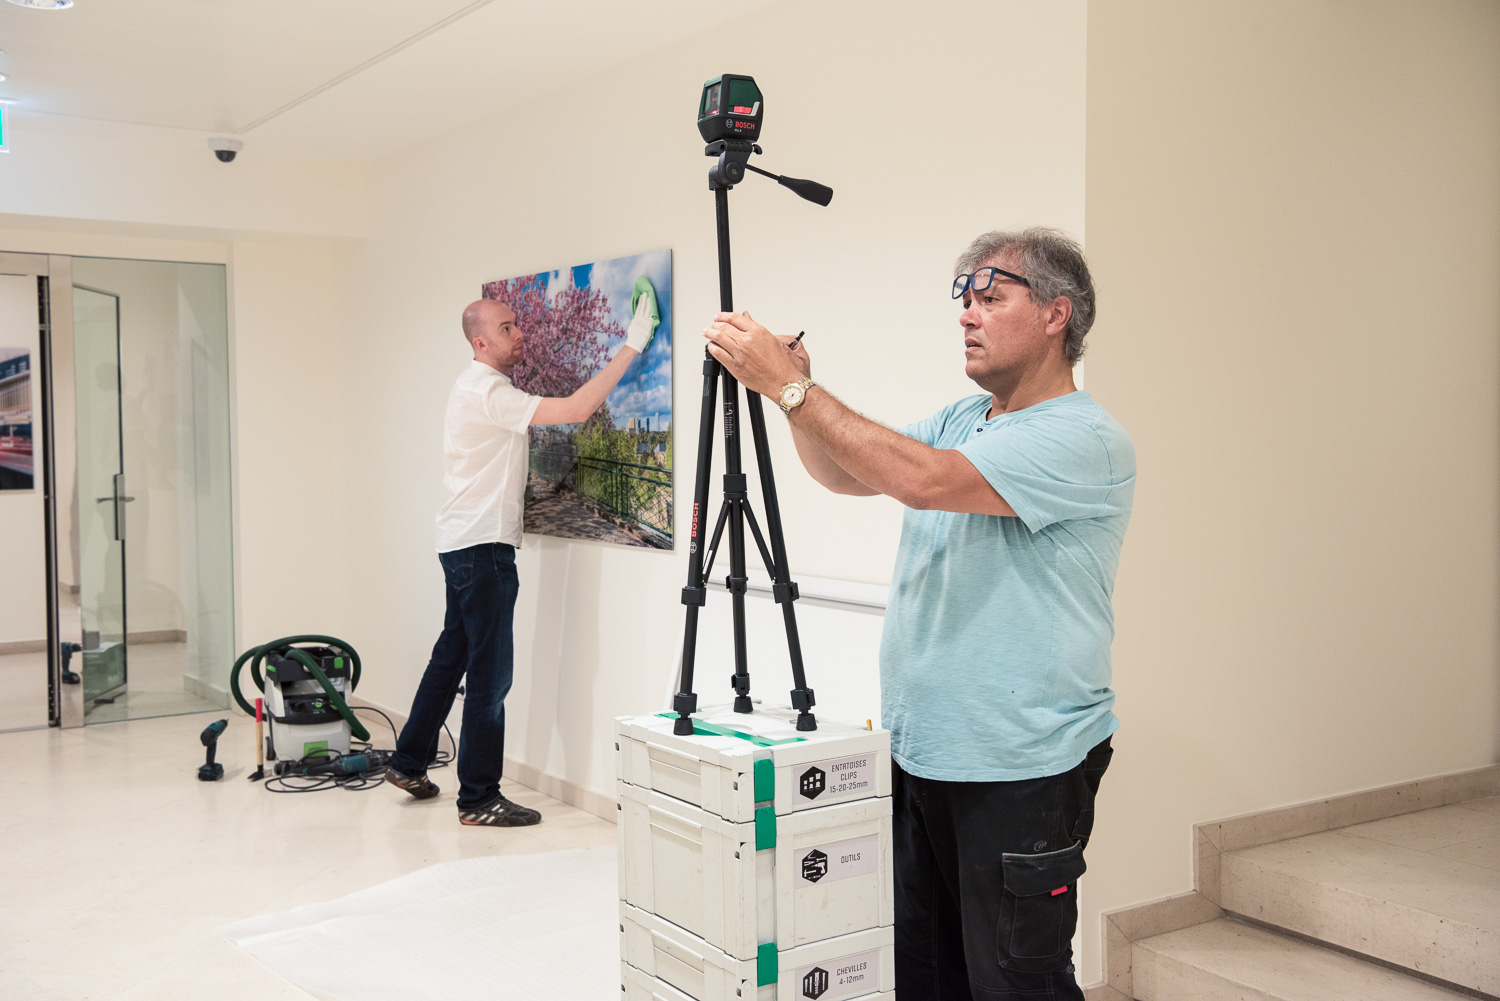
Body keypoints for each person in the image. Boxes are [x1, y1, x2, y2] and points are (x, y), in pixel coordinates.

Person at [702, 227, 1133, 1000]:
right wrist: (797, 390)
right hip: (923, 753)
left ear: (1056, 315)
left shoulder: (1084, 439)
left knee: (1015, 981)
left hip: (1021, 768)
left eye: (991, 297)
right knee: (927, 972)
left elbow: (923, 480)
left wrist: (791, 391)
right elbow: (845, 471)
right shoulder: (965, 417)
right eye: (963, 299)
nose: (967, 315)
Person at [386, 293, 657, 826]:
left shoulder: (475, 387)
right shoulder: (488, 392)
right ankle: (479, 799)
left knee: (452, 656)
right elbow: (578, 410)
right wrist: (632, 345)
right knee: (491, 676)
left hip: (461, 542)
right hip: (483, 548)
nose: (521, 335)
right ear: (481, 342)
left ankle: (408, 761)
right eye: (509, 329)